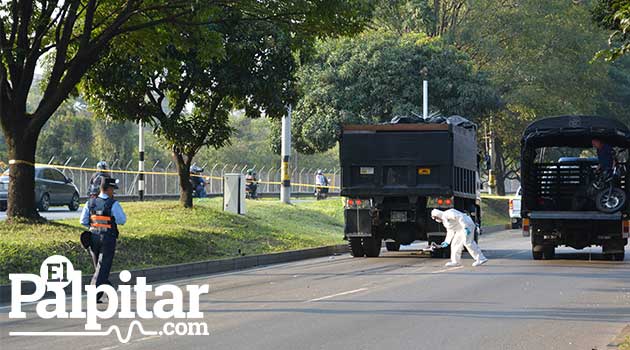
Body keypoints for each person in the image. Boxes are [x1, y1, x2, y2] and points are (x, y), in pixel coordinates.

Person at [80, 177, 126, 303]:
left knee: (100, 268)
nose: (114, 192)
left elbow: (83, 221)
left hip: (93, 238)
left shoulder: (90, 203)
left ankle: (105, 291)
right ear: (109, 189)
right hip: (108, 239)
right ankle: (93, 294)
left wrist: (95, 225)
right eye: (113, 190)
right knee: (102, 268)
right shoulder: (113, 204)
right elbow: (122, 220)